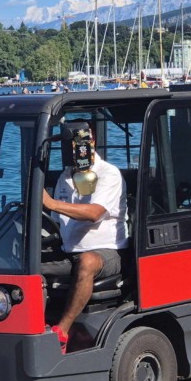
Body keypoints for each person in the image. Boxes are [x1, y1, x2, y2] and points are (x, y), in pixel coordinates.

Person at [42, 122, 128, 353]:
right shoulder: (65, 177)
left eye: (78, 143)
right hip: (69, 250)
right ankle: (34, 323)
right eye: (69, 145)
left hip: (108, 251)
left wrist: (51, 203)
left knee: (87, 262)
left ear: (91, 142)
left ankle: (62, 331)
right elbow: (56, 220)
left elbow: (94, 213)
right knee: (29, 265)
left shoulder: (108, 173)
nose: (73, 149)